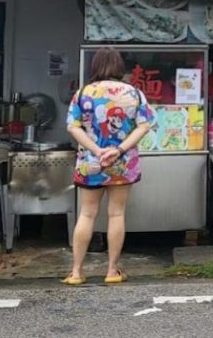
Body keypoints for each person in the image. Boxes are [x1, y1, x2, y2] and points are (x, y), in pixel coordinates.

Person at [64, 47, 155, 286]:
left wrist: (96, 151)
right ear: (118, 66)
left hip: (90, 163)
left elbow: (72, 127)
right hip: (122, 163)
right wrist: (119, 149)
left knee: (86, 213)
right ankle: (112, 270)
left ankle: (76, 272)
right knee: (116, 214)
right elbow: (144, 125)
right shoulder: (133, 93)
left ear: (95, 66)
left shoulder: (83, 93)